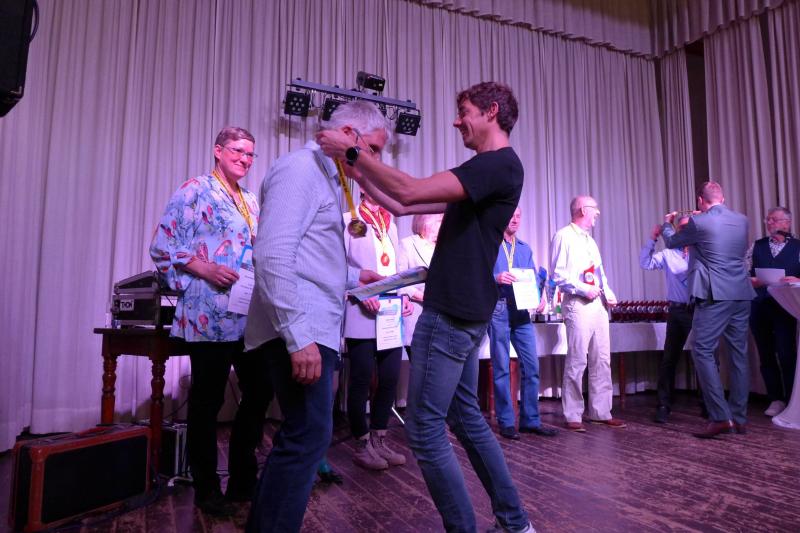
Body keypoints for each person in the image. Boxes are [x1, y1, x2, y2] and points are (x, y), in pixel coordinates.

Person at [318, 81, 534, 533]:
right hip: (467, 309)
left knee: (423, 428)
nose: (457, 121)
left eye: (464, 111)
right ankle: (515, 524)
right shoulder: (489, 169)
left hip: (451, 310)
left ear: (492, 111)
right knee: (465, 416)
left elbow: (411, 190)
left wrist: (353, 152)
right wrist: (356, 170)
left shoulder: (496, 164)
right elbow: (401, 203)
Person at [244, 101, 385, 533]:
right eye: (375, 149)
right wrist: (298, 336)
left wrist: (355, 276)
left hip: (309, 323)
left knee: (305, 435)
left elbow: (308, 258)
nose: (377, 161)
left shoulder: (327, 176)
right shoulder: (301, 170)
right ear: (349, 135)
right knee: (307, 435)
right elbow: (271, 256)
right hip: (301, 326)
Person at [149, 127, 271, 516]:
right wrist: (205, 268)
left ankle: (242, 479)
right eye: (238, 151)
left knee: (260, 389)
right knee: (208, 400)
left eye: (250, 154)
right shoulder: (195, 189)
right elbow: (163, 244)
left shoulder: (250, 199)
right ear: (218, 151)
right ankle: (206, 487)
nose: (245, 159)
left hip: (247, 313)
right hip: (208, 311)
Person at [662, 181, 756, 438]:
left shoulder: (699, 222)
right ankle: (739, 418)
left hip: (715, 294)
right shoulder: (742, 220)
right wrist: (700, 219)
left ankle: (721, 417)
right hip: (741, 292)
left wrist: (667, 224)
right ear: (722, 199)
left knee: (702, 349)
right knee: (738, 355)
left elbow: (672, 242)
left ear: (700, 201)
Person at [343, 193, 411, 471]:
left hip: (389, 311)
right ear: (362, 187)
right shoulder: (348, 220)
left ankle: (379, 439)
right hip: (360, 309)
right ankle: (361, 445)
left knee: (390, 378)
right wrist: (361, 293)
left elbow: (394, 269)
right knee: (360, 379)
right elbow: (339, 266)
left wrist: (403, 295)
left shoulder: (389, 224)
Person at [549, 196, 625, 432]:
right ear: (583, 210)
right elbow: (558, 275)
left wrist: (608, 293)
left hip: (597, 304)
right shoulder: (563, 236)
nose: (597, 213)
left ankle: (601, 412)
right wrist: (584, 289)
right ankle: (573, 414)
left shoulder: (590, 240)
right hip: (578, 304)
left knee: (601, 359)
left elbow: (599, 273)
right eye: (594, 209)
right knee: (577, 359)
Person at [490, 207, 557, 440]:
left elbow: (532, 279)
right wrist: (496, 277)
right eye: (511, 215)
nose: (515, 219)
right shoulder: (490, 243)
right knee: (501, 367)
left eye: (519, 216)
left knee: (532, 365)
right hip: (498, 308)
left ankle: (530, 420)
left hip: (520, 312)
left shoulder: (524, 248)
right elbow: (476, 274)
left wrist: (539, 296)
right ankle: (506, 421)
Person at [746, 207, 800, 416]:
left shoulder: (797, 247)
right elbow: (742, 271)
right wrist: (751, 280)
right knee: (766, 354)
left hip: (786, 308)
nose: (769, 223)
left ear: (787, 222)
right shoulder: (757, 245)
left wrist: (797, 279)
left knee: (787, 353)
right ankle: (775, 398)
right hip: (760, 306)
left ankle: (791, 400)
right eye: (768, 220)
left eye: (774, 220)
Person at [640, 215, 693, 423]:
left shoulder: (702, 252)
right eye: (681, 227)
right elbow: (645, 263)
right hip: (677, 311)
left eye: (688, 227)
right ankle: (663, 404)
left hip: (699, 310)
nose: (684, 231)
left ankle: (710, 407)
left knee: (707, 358)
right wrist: (652, 239)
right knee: (669, 358)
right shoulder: (669, 254)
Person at [397, 213, 443, 359]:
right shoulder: (408, 244)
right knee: (419, 365)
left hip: (441, 318)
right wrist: (426, 297)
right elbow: (399, 281)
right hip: (417, 314)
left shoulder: (445, 246)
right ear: (426, 223)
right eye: (440, 221)